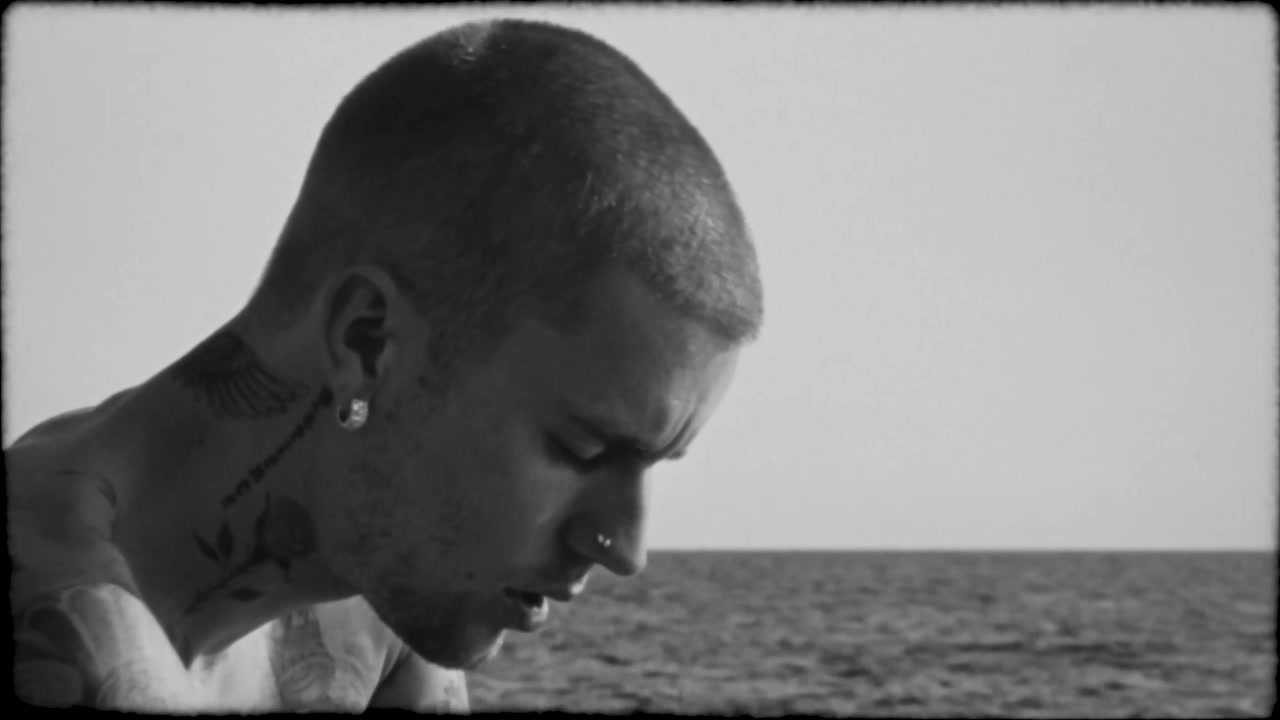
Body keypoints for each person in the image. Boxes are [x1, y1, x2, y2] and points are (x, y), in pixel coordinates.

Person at [8, 17, 763, 712]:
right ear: (366, 342)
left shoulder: (380, 594)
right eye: (581, 448)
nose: (625, 549)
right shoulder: (63, 629)